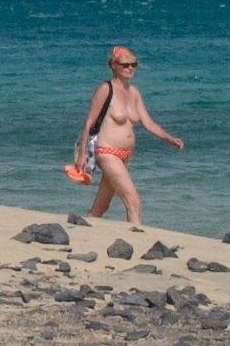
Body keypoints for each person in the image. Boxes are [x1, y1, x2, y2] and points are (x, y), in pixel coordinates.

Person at [64, 46, 181, 227]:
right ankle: (137, 241)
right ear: (114, 66)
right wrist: (82, 154)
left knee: (100, 208)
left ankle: (79, 233)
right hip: (107, 152)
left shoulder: (134, 92)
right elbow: (89, 123)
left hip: (124, 156)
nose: (130, 68)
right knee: (133, 200)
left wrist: (170, 138)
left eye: (133, 64)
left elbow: (148, 123)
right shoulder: (105, 88)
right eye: (125, 65)